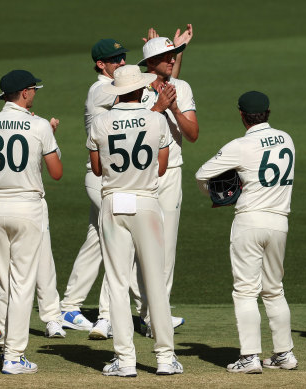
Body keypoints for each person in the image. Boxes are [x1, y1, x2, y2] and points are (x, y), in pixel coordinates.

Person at [61, 30, 191, 338]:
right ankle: (113, 315)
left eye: (124, 58)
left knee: (99, 241)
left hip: (117, 174)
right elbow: (149, 102)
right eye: (114, 60)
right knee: (124, 241)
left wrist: (174, 53)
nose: (121, 63)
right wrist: (159, 65)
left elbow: (160, 87)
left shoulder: (116, 84)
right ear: (100, 65)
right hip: (104, 178)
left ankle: (69, 306)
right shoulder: (102, 90)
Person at [87, 64, 182, 377]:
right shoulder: (156, 119)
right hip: (146, 202)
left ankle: (125, 361)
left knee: (117, 282)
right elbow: (163, 166)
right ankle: (166, 358)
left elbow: (97, 168)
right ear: (142, 89)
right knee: (155, 280)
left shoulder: (100, 122)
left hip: (114, 201)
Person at [195, 91, 298, 374]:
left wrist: (220, 198)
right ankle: (284, 354)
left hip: (250, 221)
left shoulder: (240, 145)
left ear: (241, 115)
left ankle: (250, 357)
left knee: (245, 292)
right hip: (279, 222)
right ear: (267, 113)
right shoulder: (286, 138)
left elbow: (202, 174)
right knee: (274, 290)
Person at [0, 70, 63, 374]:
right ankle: (14, 355)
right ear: (25, 93)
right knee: (23, 283)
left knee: (2, 283)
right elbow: (56, 172)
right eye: (33, 90)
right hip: (26, 207)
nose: (35, 93)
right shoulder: (39, 125)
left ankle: (5, 346)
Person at [138, 28, 197, 335]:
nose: (172, 60)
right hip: (140, 175)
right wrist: (159, 106)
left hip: (171, 172)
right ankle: (142, 311)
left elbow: (193, 133)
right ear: (150, 62)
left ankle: (156, 317)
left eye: (174, 55)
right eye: (166, 56)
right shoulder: (134, 88)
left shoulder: (182, 88)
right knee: (138, 246)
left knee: (166, 250)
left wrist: (173, 107)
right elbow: (133, 129)